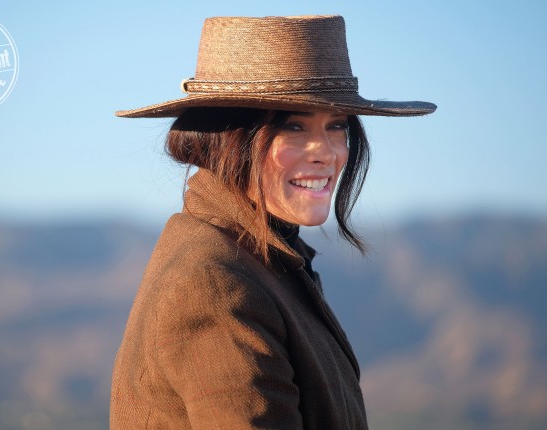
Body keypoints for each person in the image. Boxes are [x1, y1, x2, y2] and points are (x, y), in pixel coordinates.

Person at [110, 15, 435, 429]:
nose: (326, 152)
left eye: (337, 126)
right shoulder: (214, 282)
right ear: (228, 138)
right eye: (293, 126)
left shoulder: (260, 258)